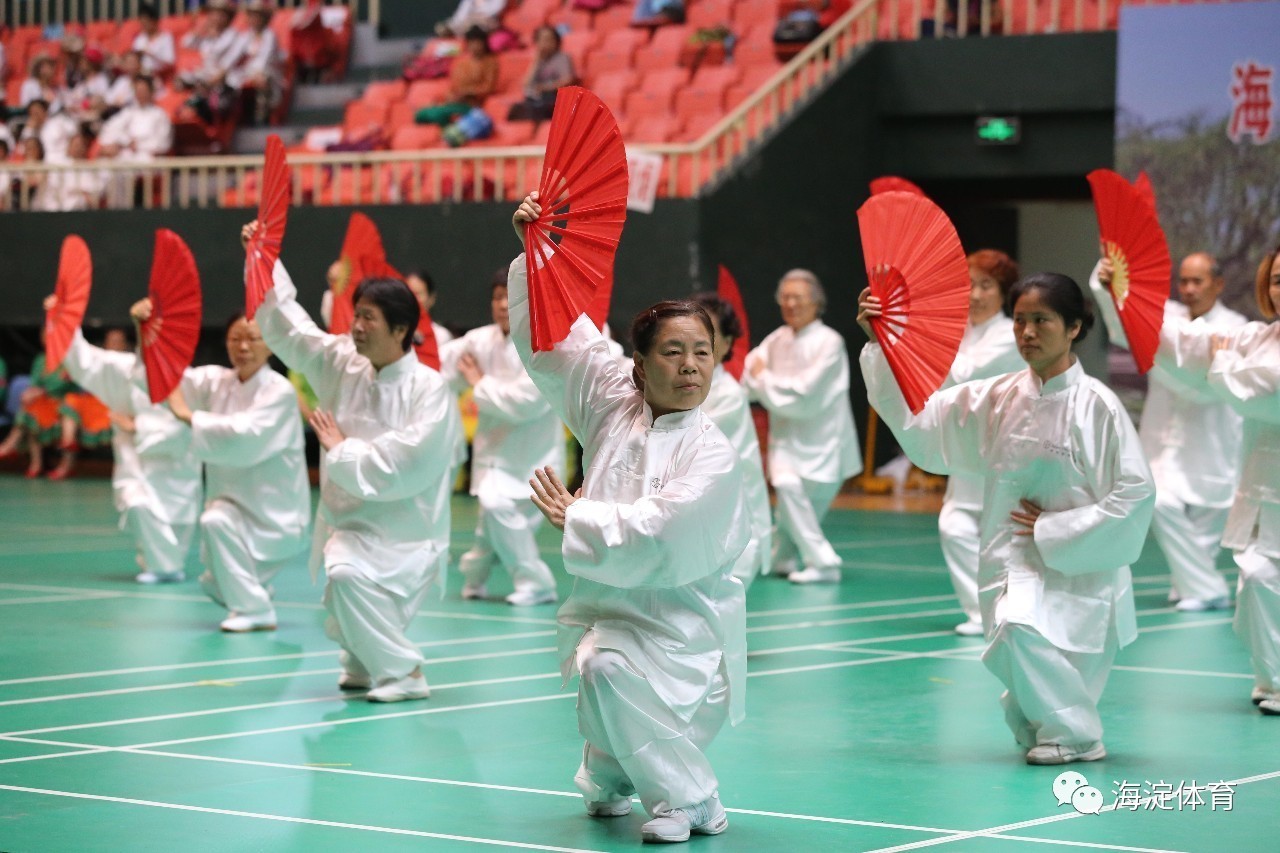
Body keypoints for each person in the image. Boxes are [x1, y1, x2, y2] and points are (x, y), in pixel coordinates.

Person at [511, 192, 748, 844]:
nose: (691, 366)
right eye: (673, 352)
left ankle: (694, 800)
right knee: (603, 666)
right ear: (638, 363)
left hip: (684, 629)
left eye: (702, 352)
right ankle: (611, 775)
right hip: (611, 606)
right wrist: (538, 248)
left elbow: (664, 531)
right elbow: (558, 336)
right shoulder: (614, 401)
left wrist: (581, 515)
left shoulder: (714, 452)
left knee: (606, 669)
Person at [860, 272, 1155, 765]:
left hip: (1080, 568)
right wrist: (882, 342)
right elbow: (925, 423)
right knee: (1013, 630)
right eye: (1020, 321)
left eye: (1042, 320)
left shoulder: (1098, 406)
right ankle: (1064, 731)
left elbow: (1136, 494)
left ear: (1075, 327)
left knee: (1032, 642)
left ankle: (1076, 734)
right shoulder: (998, 395)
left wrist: (1056, 529)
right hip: (1012, 557)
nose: (1028, 333)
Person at [243, 219, 461, 702]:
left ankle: (404, 674)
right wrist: (263, 261)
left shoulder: (429, 389)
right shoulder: (343, 361)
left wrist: (341, 449)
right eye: (356, 314)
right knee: (343, 577)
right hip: (349, 522)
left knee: (350, 584)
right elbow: (290, 330)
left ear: (401, 329)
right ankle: (368, 663)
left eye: (368, 319)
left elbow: (408, 463)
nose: (356, 326)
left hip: (407, 531)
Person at [1145, 246, 1280, 715]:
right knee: (1257, 580)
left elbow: (1265, 392)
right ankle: (1274, 681)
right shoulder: (1256, 339)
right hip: (1265, 492)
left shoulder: (1242, 346)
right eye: (1278, 279)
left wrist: (1222, 368)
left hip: (1240, 474)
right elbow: (1183, 345)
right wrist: (1118, 296)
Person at [1090, 252, 1247, 612]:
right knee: (1159, 501)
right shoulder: (1166, 315)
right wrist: (1106, 288)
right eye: (1185, 281)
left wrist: (1160, 355)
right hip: (1163, 439)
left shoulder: (1235, 326)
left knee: (1206, 526)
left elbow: (1205, 379)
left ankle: (1194, 586)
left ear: (1218, 284)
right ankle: (1207, 588)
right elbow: (1123, 326)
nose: (1189, 289)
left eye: (1198, 281)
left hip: (1214, 441)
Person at [165, 313, 310, 632]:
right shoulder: (216, 381)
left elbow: (244, 436)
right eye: (235, 338)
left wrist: (188, 416)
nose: (243, 346)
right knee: (215, 581)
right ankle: (253, 597)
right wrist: (148, 331)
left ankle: (255, 609)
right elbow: (166, 374)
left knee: (216, 523)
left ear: (270, 346)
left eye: (253, 338)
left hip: (272, 512)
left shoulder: (279, 392)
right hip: (230, 503)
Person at [439, 268, 563, 606]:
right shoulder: (479, 340)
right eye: (497, 297)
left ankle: (480, 575)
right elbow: (442, 367)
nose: (503, 305)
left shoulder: (544, 344)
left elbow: (527, 402)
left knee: (493, 524)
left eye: (509, 297)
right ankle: (529, 583)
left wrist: (478, 383)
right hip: (494, 452)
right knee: (494, 509)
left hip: (535, 455)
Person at [57, 304, 203, 583]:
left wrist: (137, 426)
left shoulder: (190, 378)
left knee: (174, 528)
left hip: (177, 472)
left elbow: (188, 426)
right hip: (136, 467)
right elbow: (83, 360)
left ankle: (164, 565)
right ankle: (162, 566)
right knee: (136, 504)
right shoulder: (125, 369)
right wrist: (65, 315)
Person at [743, 269, 861, 583]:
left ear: (815, 302)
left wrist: (764, 379)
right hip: (785, 439)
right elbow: (748, 374)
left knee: (793, 511)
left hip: (825, 442)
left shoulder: (829, 342)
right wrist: (764, 381)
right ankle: (823, 562)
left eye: (797, 297)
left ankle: (780, 557)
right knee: (786, 486)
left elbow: (805, 392)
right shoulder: (776, 339)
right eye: (785, 298)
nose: (790, 304)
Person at [940, 250, 1025, 635]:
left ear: (1003, 292)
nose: (974, 294)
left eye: (985, 286)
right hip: (965, 449)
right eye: (969, 284)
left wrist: (930, 335)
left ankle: (1009, 610)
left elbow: (962, 375)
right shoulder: (959, 332)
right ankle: (980, 612)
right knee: (953, 526)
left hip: (1005, 449)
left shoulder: (1009, 335)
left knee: (1004, 539)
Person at [693, 292, 771, 589]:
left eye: (710, 332)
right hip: (700, 523)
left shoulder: (728, 394)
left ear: (726, 343)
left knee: (720, 607)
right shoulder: (686, 385)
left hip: (735, 525)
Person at [414, 26, 497, 127]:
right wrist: (449, 97)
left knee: (438, 115)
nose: (474, 46)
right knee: (420, 114)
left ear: (484, 44)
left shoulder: (490, 62)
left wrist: (467, 93)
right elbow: (453, 86)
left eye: (477, 42)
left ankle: (451, 132)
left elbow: (488, 88)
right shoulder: (462, 62)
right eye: (471, 43)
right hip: (453, 101)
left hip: (471, 105)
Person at [229, 1, 287, 126]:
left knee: (263, 78)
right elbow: (233, 56)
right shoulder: (244, 36)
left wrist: (254, 74)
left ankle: (262, 117)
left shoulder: (269, 35)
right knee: (231, 79)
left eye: (257, 16)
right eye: (252, 16)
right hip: (249, 73)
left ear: (264, 18)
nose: (254, 19)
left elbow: (264, 60)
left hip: (269, 73)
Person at [508, 26, 576, 123]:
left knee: (538, 109)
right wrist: (535, 63)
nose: (546, 43)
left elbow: (567, 80)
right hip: (537, 98)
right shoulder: (537, 59)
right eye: (542, 39)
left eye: (549, 39)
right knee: (515, 109)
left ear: (557, 41)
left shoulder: (563, 57)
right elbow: (526, 84)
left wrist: (544, 88)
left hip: (555, 98)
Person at [405, 270, 455, 346]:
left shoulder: (441, 336)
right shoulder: (392, 334)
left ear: (431, 298)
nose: (413, 299)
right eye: (408, 293)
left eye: (417, 294)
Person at [131, 3, 177, 78]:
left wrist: (151, 54)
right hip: (139, 76)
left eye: (146, 22)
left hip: (159, 77)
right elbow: (134, 60)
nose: (144, 26)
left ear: (154, 21)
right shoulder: (140, 38)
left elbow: (169, 63)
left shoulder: (166, 38)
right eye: (142, 23)